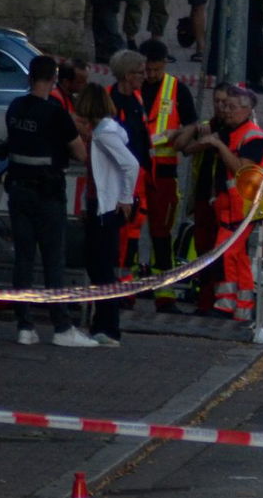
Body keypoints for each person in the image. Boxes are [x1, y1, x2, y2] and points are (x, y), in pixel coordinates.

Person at [4, 56, 95, 347]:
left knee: (24, 260)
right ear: (54, 79)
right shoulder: (55, 113)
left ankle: (24, 326)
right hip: (48, 195)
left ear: (30, 77)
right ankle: (61, 327)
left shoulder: (16, 108)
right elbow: (81, 154)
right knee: (53, 261)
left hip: (18, 191)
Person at [173, 83, 263, 320]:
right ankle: (242, 308)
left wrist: (217, 144)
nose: (226, 111)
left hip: (243, 207)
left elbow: (241, 169)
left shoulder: (253, 135)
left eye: (232, 107)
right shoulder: (228, 130)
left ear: (247, 110)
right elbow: (186, 148)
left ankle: (226, 305)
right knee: (237, 257)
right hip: (228, 206)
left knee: (227, 255)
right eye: (224, 106)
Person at [76, 83, 138, 347]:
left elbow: (130, 164)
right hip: (100, 205)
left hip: (105, 208)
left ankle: (108, 327)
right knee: (99, 266)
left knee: (100, 267)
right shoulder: (103, 132)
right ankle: (103, 325)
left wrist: (125, 198)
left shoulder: (103, 135)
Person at [141, 39, 197, 311]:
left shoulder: (176, 89)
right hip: (137, 169)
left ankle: (164, 294)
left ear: (164, 64)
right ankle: (127, 288)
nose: (150, 75)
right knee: (128, 233)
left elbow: (192, 124)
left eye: (155, 69)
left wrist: (178, 139)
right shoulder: (133, 85)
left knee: (161, 233)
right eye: (147, 70)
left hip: (164, 170)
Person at [108, 48, 152, 274]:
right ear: (127, 75)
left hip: (138, 176)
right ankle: (115, 284)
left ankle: (125, 283)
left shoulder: (136, 98)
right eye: (140, 72)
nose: (145, 76)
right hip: (119, 177)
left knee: (134, 230)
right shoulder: (110, 100)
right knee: (119, 232)